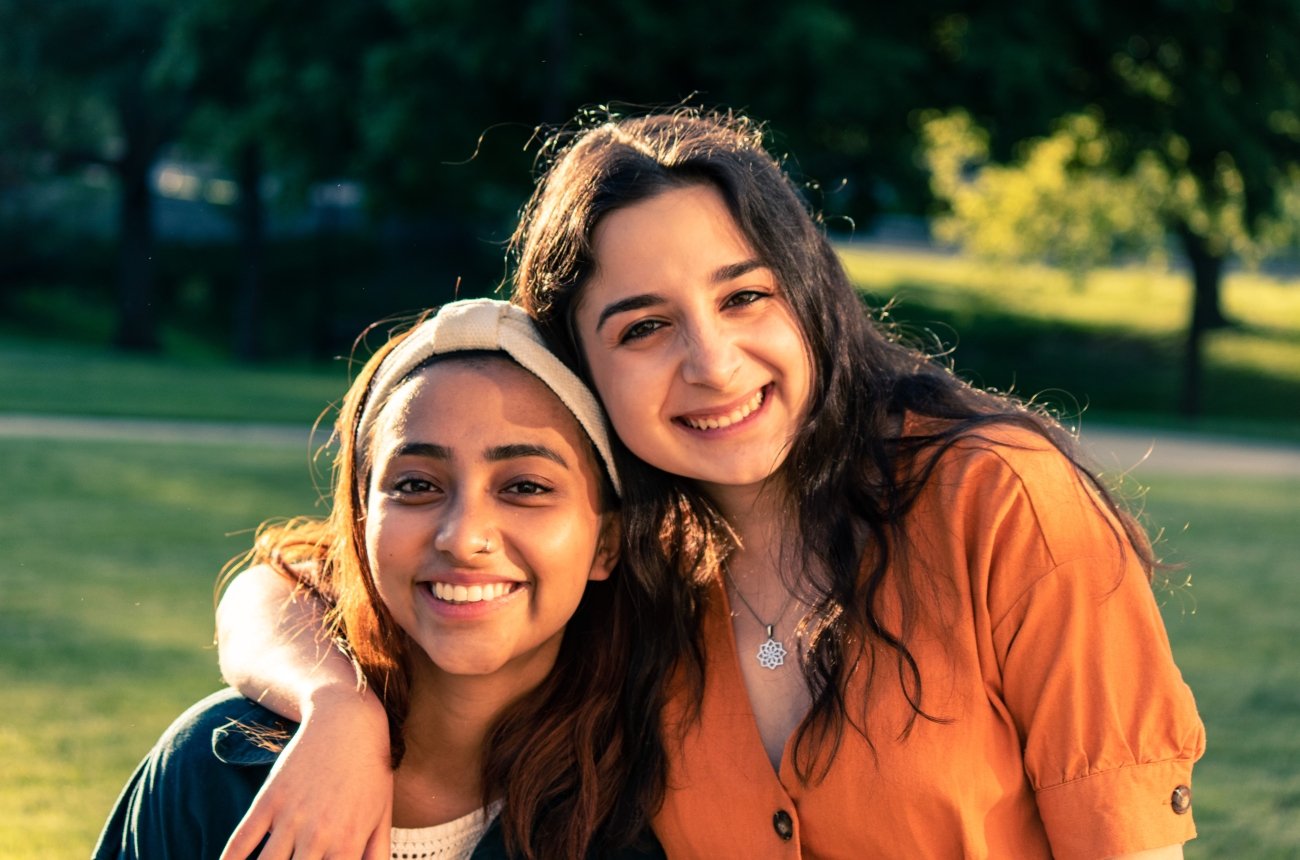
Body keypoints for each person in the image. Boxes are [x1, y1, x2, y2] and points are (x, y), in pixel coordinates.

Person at [216, 109, 1205, 859]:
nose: (714, 363)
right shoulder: (627, 559)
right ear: (581, 373)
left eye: (743, 297)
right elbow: (287, 580)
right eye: (644, 326)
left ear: (808, 294)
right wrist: (334, 703)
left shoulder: (998, 502)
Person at [94, 299, 668, 860]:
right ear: (362, 522)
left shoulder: (641, 819)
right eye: (417, 484)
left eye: (525, 487)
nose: (462, 537)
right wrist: (338, 708)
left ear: (608, 543)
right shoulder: (216, 766)